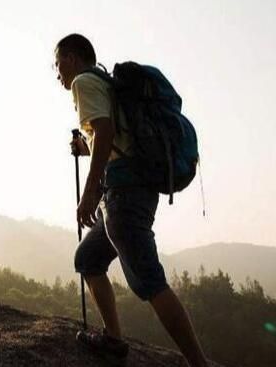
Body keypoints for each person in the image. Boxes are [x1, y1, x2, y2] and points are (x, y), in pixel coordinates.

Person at [54, 33, 208, 367]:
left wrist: (89, 193)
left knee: (150, 281)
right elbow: (112, 139)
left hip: (124, 195)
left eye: (58, 64)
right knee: (88, 259)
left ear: (72, 58)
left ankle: (198, 363)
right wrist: (86, 148)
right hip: (128, 190)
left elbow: (106, 133)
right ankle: (113, 339)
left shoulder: (83, 82)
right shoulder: (108, 85)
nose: (57, 74)